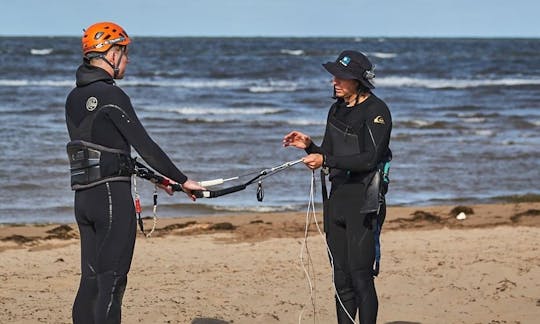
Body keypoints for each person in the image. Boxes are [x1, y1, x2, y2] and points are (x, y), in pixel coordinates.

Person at [64, 21, 204, 324]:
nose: (127, 60)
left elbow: (105, 151)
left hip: (84, 201)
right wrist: (183, 180)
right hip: (112, 200)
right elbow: (145, 146)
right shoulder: (113, 95)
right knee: (112, 282)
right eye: (125, 54)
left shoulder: (73, 98)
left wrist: (158, 179)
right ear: (111, 53)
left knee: (89, 281)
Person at [283, 50, 392, 323]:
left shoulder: (377, 112)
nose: (335, 81)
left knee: (360, 277)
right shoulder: (336, 109)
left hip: (364, 202)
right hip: (337, 201)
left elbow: (370, 158)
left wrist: (325, 158)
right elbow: (330, 154)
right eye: (335, 75)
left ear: (359, 80)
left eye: (342, 76)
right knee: (340, 278)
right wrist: (309, 146)